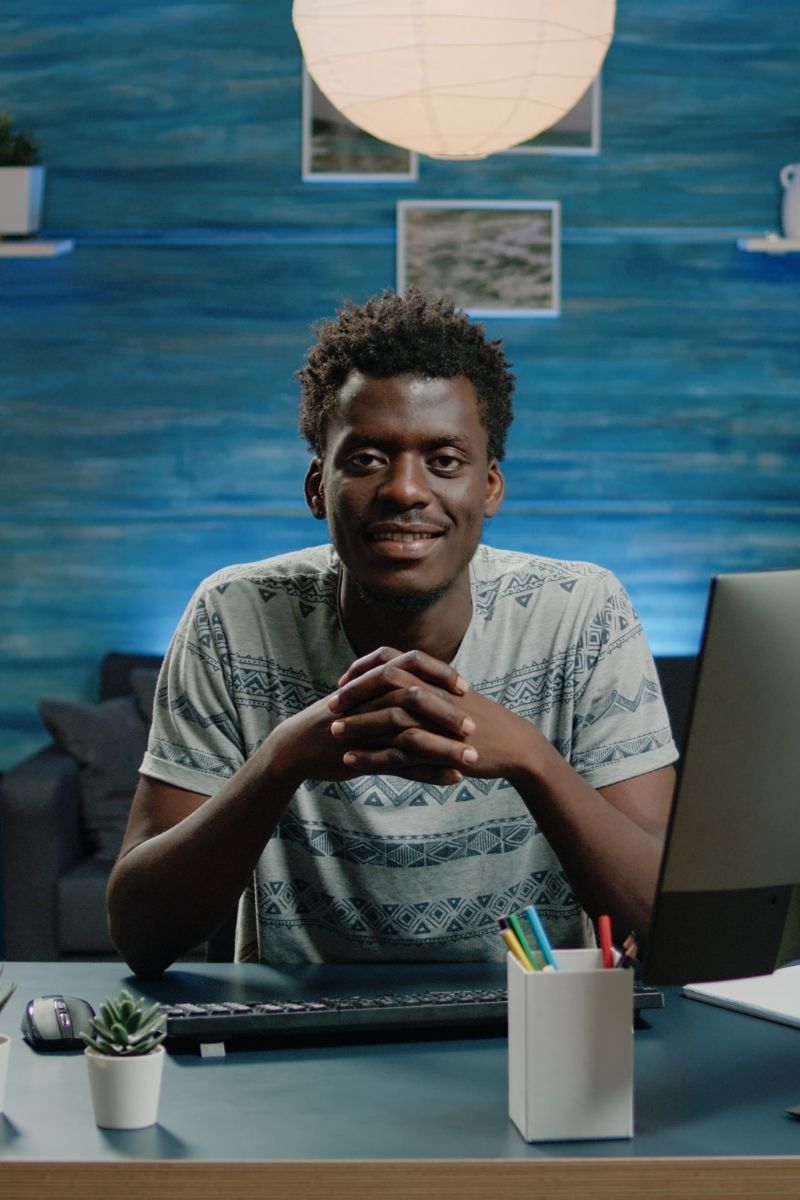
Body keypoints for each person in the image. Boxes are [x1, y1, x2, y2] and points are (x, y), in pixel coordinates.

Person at [107, 287, 678, 976]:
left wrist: (531, 757)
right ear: (318, 485)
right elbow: (141, 935)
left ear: (489, 487)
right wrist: (281, 760)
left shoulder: (583, 611)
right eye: (368, 458)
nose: (406, 490)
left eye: (444, 459)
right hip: (302, 1038)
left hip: (534, 1034)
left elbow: (667, 921)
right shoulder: (233, 615)